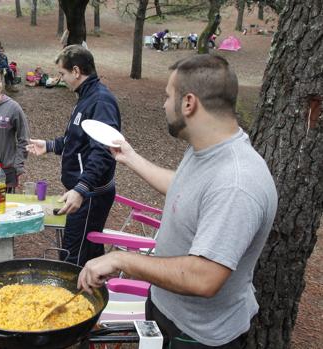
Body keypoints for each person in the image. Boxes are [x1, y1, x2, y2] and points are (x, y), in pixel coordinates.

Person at [78, 54, 278, 348]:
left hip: (197, 335)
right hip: (166, 308)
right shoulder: (207, 150)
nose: (163, 104)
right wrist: (129, 157)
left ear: (188, 102)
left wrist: (120, 259)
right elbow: (187, 189)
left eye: (167, 95)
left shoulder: (237, 183)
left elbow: (204, 278)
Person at [26, 45, 120, 266]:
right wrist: (49, 145)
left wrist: (81, 188)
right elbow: (77, 140)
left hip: (90, 196)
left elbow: (104, 150)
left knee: (73, 257)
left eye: (62, 73)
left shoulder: (101, 101)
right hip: (82, 193)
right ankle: (92, 293)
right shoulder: (86, 97)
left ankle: (75, 297)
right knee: (88, 252)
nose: (61, 79)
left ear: (76, 71)